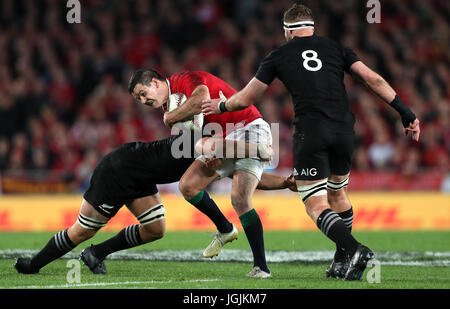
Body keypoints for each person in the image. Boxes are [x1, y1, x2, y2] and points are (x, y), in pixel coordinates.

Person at [201, 3, 420, 281]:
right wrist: (406, 113)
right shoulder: (336, 48)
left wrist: (220, 106)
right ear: (312, 27)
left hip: (311, 132)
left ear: (287, 31)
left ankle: (355, 249)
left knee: (314, 203)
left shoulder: (278, 55)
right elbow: (373, 79)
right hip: (344, 129)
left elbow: (246, 98)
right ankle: (341, 262)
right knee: (338, 194)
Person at [14, 133, 296, 275]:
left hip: (140, 175)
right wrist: (260, 150)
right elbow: (204, 148)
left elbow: (247, 179)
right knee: (83, 230)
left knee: (155, 229)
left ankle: (95, 254)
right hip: (118, 170)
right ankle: (34, 265)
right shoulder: (206, 143)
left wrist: (284, 183)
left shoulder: (220, 153)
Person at [128, 68, 275, 278]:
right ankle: (226, 229)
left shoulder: (183, 80)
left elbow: (202, 98)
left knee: (240, 198)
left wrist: (170, 118)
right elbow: (199, 127)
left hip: (248, 126)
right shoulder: (171, 103)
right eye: (138, 98)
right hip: (223, 140)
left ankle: (261, 267)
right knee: (188, 185)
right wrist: (212, 150)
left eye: (143, 93)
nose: (143, 101)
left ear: (155, 82)